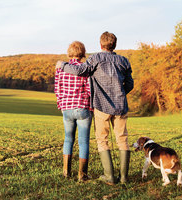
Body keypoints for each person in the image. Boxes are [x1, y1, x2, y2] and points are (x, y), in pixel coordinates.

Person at [56, 32, 134, 185]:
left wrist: (62, 65)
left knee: (102, 140)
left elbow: (80, 71)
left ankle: (109, 176)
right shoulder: (124, 61)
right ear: (115, 45)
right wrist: (119, 93)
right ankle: (124, 178)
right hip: (120, 106)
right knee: (122, 139)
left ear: (101, 45)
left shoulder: (95, 59)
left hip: (101, 106)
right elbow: (130, 84)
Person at [54, 41, 92, 182]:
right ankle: (82, 174)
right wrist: (90, 107)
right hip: (82, 107)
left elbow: (57, 90)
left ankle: (66, 173)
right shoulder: (84, 69)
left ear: (69, 52)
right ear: (82, 53)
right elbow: (89, 90)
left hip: (67, 108)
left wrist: (61, 105)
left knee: (68, 139)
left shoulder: (60, 69)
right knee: (83, 142)